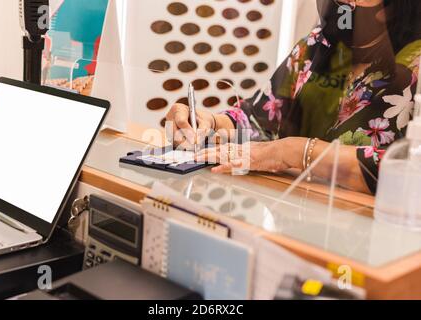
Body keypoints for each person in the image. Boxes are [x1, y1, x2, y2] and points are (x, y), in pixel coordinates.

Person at [166, 0, 421, 194]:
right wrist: (209, 123)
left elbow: (411, 172)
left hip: (374, 240)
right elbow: (260, 119)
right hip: (294, 222)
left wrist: (296, 151)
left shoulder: (415, 65)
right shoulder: (319, 44)